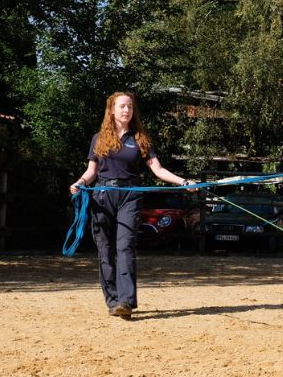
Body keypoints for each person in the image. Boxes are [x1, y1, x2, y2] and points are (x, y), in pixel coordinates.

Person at [70, 91, 193, 319]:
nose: (127, 110)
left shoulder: (140, 140)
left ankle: (125, 302)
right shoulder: (98, 139)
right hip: (103, 195)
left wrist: (183, 182)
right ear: (112, 110)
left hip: (130, 196)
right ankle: (112, 299)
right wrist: (79, 183)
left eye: (130, 107)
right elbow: (91, 172)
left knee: (125, 246)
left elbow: (158, 169)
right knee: (105, 250)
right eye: (122, 106)